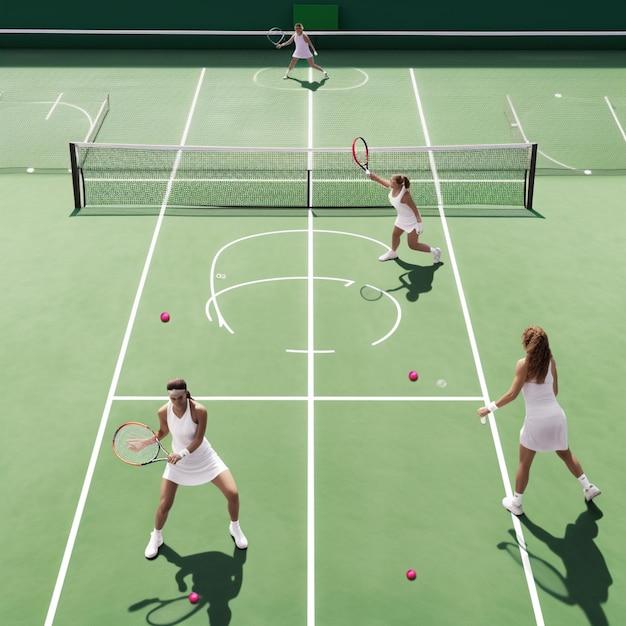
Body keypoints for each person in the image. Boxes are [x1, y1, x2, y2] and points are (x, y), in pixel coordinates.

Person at [478, 326, 601, 516]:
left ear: (528, 345)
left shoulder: (523, 364)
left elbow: (512, 394)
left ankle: (516, 503)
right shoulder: (551, 362)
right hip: (557, 417)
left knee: (524, 463)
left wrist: (489, 408)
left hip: (536, 421)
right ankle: (588, 486)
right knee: (565, 453)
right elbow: (555, 391)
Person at [131, 378, 248, 559]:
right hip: (178, 464)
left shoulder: (199, 410)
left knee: (232, 493)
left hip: (204, 458)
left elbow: (198, 439)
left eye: (179, 397)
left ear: (186, 393)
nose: (176, 401)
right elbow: (163, 432)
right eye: (172, 398)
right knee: (165, 505)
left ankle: (235, 527)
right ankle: (156, 536)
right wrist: (144, 444)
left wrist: (181, 454)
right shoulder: (164, 411)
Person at [367, 170, 441, 263]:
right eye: (391, 180)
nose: (390, 182)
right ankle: (393, 252)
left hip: (412, 222)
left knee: (413, 245)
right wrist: (373, 176)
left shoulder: (405, 195)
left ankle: (435, 251)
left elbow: (415, 210)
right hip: (401, 219)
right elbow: (385, 183)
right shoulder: (394, 187)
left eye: (392, 181)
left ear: (399, 184)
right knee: (395, 235)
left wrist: (419, 224)